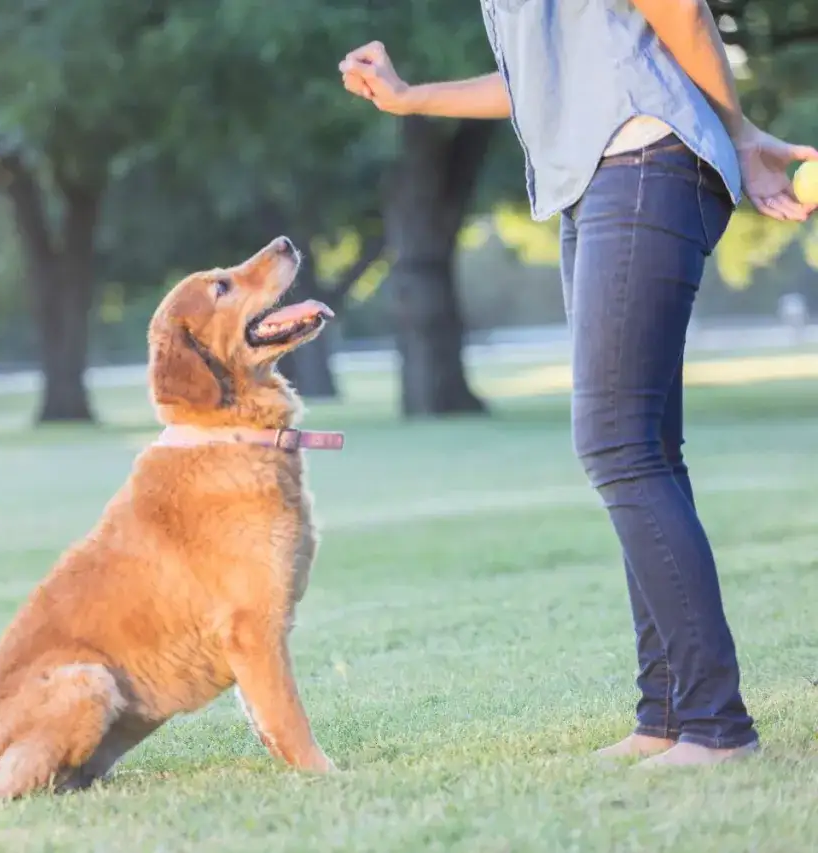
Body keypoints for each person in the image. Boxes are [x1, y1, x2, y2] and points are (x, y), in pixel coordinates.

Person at [339, 0, 818, 766]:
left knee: (616, 443)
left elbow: (679, 9)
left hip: (645, 159)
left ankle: (716, 725)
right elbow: (539, 76)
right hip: (599, 179)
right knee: (645, 447)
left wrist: (740, 128)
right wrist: (411, 96)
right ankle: (666, 712)